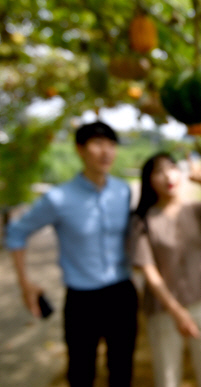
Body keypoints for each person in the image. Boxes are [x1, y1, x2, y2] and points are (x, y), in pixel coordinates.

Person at [5, 122, 137, 387]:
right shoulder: (59, 198)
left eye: (111, 145)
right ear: (80, 149)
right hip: (82, 299)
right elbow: (16, 233)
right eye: (97, 144)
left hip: (122, 294)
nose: (106, 152)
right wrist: (25, 284)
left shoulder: (122, 192)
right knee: (80, 372)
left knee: (122, 370)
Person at [129, 152, 201, 387]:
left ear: (180, 173)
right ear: (149, 181)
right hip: (163, 310)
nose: (167, 176)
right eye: (158, 171)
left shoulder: (195, 209)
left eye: (171, 168)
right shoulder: (142, 220)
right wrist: (177, 312)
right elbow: (149, 271)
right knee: (167, 379)